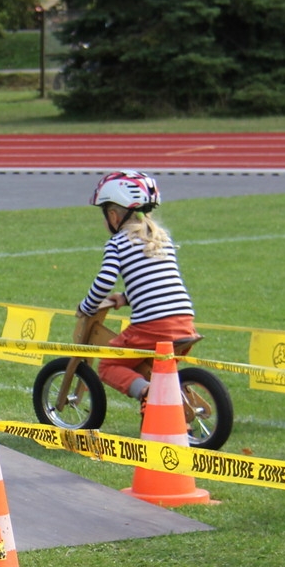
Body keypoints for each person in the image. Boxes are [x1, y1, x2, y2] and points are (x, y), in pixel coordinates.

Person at [78, 170, 197, 403]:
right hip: (184, 321)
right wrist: (126, 297)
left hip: (152, 326)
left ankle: (149, 396)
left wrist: (87, 307)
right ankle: (169, 413)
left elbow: (104, 280)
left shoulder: (118, 242)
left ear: (113, 216)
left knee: (109, 365)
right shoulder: (162, 238)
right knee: (159, 372)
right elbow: (157, 283)